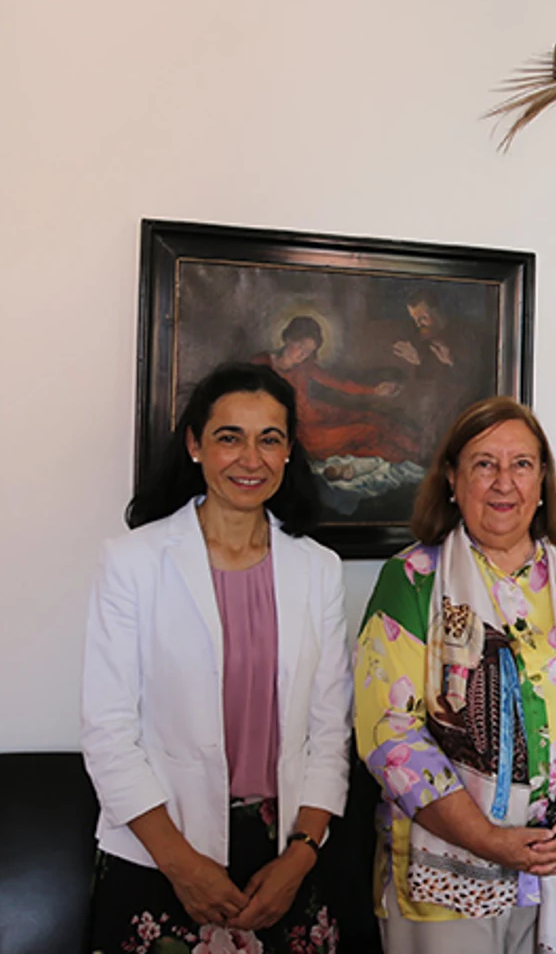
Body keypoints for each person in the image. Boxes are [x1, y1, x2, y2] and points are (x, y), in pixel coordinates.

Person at [354, 396, 556, 954]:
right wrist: (489, 840)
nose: (504, 482)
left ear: (542, 481)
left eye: (522, 464)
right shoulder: (412, 579)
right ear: (452, 480)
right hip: (446, 875)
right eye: (484, 464)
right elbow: (389, 733)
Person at [81, 361, 353, 953]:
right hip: (160, 850)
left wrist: (301, 856)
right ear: (195, 445)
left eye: (270, 439)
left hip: (282, 860)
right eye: (230, 437)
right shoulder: (132, 563)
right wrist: (182, 865)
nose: (250, 459)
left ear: (288, 454)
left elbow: (331, 733)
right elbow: (108, 734)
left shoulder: (319, 570)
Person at [257, 315, 424, 464]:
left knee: (371, 418)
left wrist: (374, 390)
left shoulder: (306, 366)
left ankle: (418, 449)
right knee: (364, 431)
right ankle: (405, 455)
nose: (302, 354)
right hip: (300, 431)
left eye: (308, 351)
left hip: (315, 413)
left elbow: (341, 384)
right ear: (288, 338)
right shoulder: (262, 363)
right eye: (300, 346)